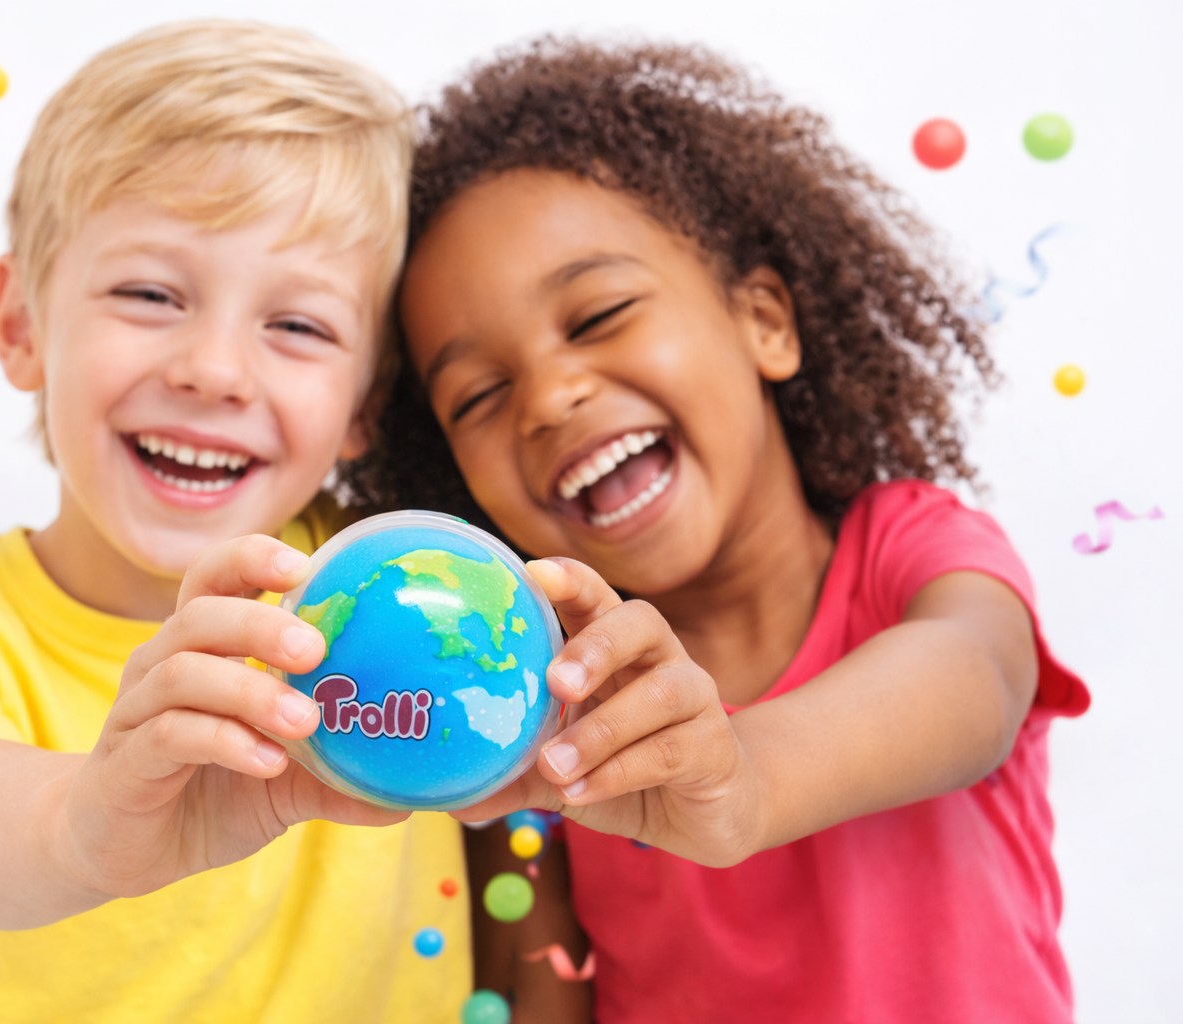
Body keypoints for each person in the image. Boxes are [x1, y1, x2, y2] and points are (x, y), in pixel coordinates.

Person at [348, 37, 1089, 1024]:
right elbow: (539, 984)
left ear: (764, 321)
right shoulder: (528, 698)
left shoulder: (912, 552)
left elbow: (982, 681)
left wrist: (743, 777)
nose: (550, 396)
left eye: (599, 314)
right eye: (479, 395)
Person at [0, 21, 470, 1023]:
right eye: (150, 293)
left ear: (365, 403)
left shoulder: (418, 584)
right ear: (21, 324)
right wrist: (85, 825)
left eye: (297, 324)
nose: (213, 370)